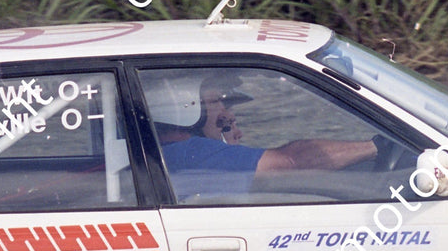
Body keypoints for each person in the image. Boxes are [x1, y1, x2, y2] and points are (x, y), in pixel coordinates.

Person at [144, 71, 376, 181]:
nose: (226, 114)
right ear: (183, 108)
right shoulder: (191, 155)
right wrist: (376, 146)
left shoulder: (160, 154)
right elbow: (292, 162)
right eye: (217, 102)